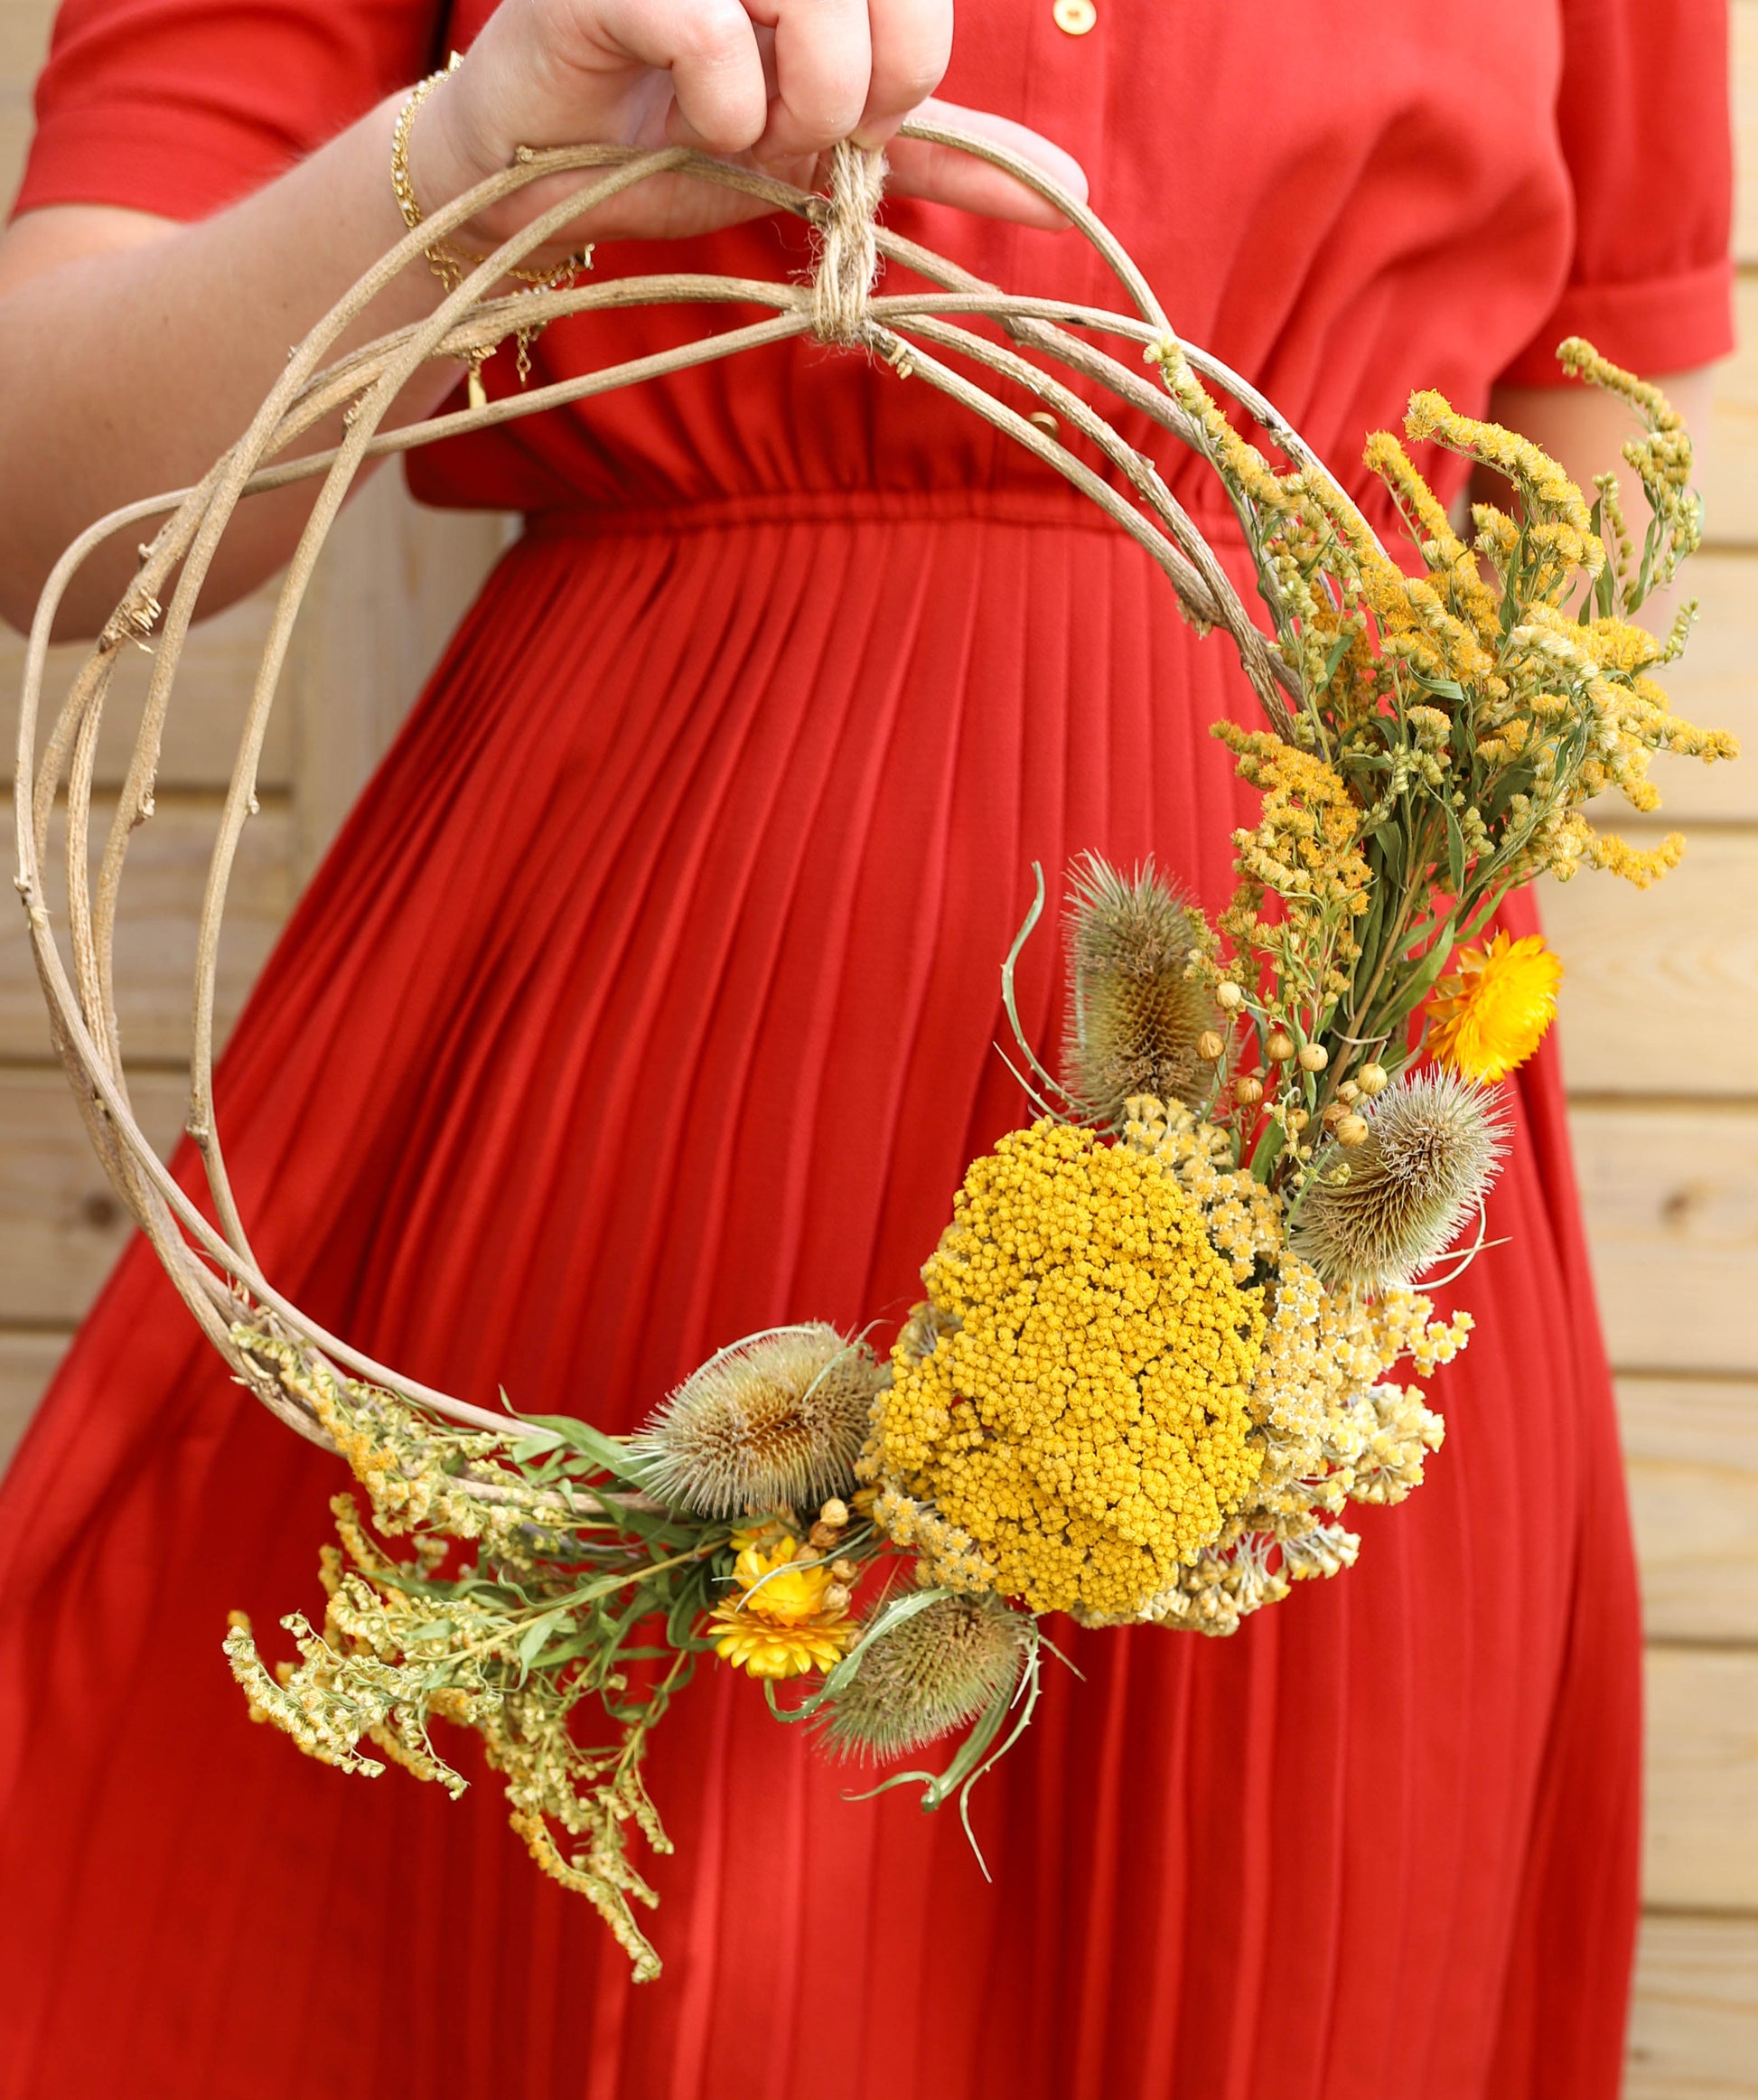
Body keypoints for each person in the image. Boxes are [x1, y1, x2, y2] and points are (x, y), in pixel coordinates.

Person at [0, 2, 1732, 2095]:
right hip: (633, 1078)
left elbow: (1582, 434)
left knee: (1278, 1968)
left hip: (1333, 1195)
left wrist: (1388, 959)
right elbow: (48, 485)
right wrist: (478, 150)